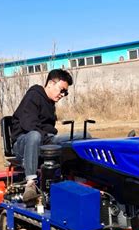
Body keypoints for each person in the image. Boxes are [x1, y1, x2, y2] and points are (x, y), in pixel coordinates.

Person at [11, 69, 87, 202]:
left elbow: (49, 130)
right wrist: (51, 141)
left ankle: (83, 177)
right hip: (23, 143)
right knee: (34, 135)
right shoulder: (34, 96)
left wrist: (52, 140)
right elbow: (29, 126)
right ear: (51, 83)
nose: (63, 94)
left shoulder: (50, 103)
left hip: (44, 140)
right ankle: (31, 183)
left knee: (83, 135)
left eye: (66, 92)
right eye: (62, 90)